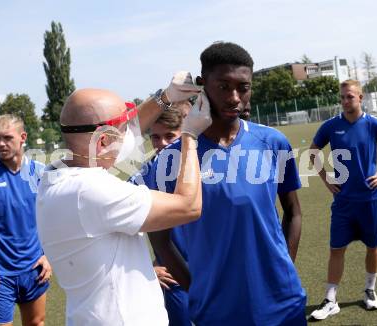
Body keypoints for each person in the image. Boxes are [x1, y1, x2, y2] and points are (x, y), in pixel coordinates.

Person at [147, 42, 306, 325]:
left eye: (243, 87)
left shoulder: (272, 142)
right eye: (223, 86)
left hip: (283, 304)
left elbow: (293, 211)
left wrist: (284, 269)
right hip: (216, 310)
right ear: (202, 85)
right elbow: (160, 238)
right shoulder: (173, 159)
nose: (234, 97)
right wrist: (195, 287)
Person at [36, 72, 212, 325]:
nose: (129, 134)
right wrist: (190, 136)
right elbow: (188, 207)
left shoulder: (57, 173)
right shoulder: (91, 190)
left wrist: (167, 97)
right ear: (104, 141)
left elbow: (129, 130)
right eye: (121, 129)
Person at [309, 79, 377, 320]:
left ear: (360, 98)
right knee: (336, 249)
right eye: (341, 97)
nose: (344, 101)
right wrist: (326, 179)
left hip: (370, 200)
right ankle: (330, 300)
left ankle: (370, 291)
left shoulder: (373, 124)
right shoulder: (331, 126)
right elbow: (312, 152)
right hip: (343, 202)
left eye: (349, 97)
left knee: (373, 246)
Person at [0, 114, 52, 325]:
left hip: (34, 270)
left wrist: (48, 255)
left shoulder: (40, 173)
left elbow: (50, 217)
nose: (1, 144)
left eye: (7, 138)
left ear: (23, 137)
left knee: (36, 323)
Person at [131, 105, 191, 326]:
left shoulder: (207, 167)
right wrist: (147, 268)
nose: (162, 144)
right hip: (173, 279)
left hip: (215, 274)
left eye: (170, 136)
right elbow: (114, 223)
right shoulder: (145, 175)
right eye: (155, 137)